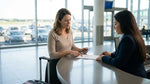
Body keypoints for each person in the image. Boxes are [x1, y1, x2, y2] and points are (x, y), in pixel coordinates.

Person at [96, 10, 147, 78]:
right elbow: (125, 55)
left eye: (116, 24)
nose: (114, 27)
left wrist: (103, 58)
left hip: (133, 78)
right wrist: (111, 54)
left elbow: (118, 63)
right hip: (138, 76)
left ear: (123, 24)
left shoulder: (127, 39)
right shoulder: (135, 36)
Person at [46, 8, 88, 83]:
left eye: (70, 20)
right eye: (66, 20)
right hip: (55, 66)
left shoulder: (69, 31)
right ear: (59, 20)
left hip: (66, 64)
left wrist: (80, 50)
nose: (69, 22)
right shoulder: (52, 33)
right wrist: (69, 52)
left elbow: (72, 46)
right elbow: (52, 55)